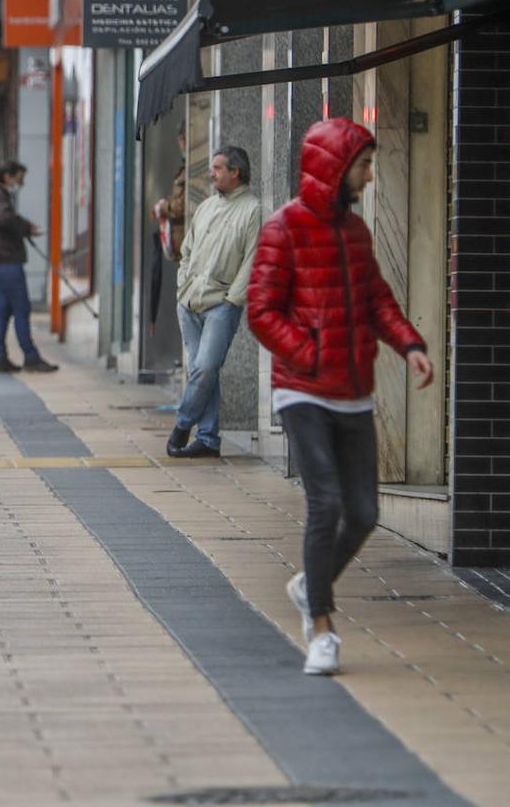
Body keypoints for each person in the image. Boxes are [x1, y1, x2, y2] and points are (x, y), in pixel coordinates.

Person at [247, 118, 431, 676]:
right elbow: (261, 311)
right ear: (337, 168)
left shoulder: (355, 233)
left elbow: (377, 299)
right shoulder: (284, 229)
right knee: (325, 504)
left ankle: (310, 583)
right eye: (365, 165)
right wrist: (307, 352)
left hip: (354, 391)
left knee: (366, 514)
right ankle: (321, 629)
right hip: (302, 390)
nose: (371, 177)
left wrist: (410, 345)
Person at [165, 146, 261, 458]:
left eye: (218, 168)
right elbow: (187, 250)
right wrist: (183, 285)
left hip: (222, 304)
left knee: (205, 367)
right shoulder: (205, 207)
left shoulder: (252, 210)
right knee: (200, 371)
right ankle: (207, 439)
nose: (212, 173)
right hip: (189, 301)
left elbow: (253, 260)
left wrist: (233, 300)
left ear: (236, 172)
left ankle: (183, 424)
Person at [0, 161, 58, 374]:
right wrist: (25, 227)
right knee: (21, 308)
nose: (21, 183)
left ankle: (0, 356)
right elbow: (4, 218)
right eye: (19, 178)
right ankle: (30, 356)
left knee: (4, 310)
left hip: (0, 261)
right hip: (6, 262)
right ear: (8, 176)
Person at [148, 125, 187, 336]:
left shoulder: (192, 169)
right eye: (180, 139)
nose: (181, 143)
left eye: (183, 139)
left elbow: (182, 205)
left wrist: (164, 207)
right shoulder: (184, 168)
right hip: (179, 245)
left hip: (187, 243)